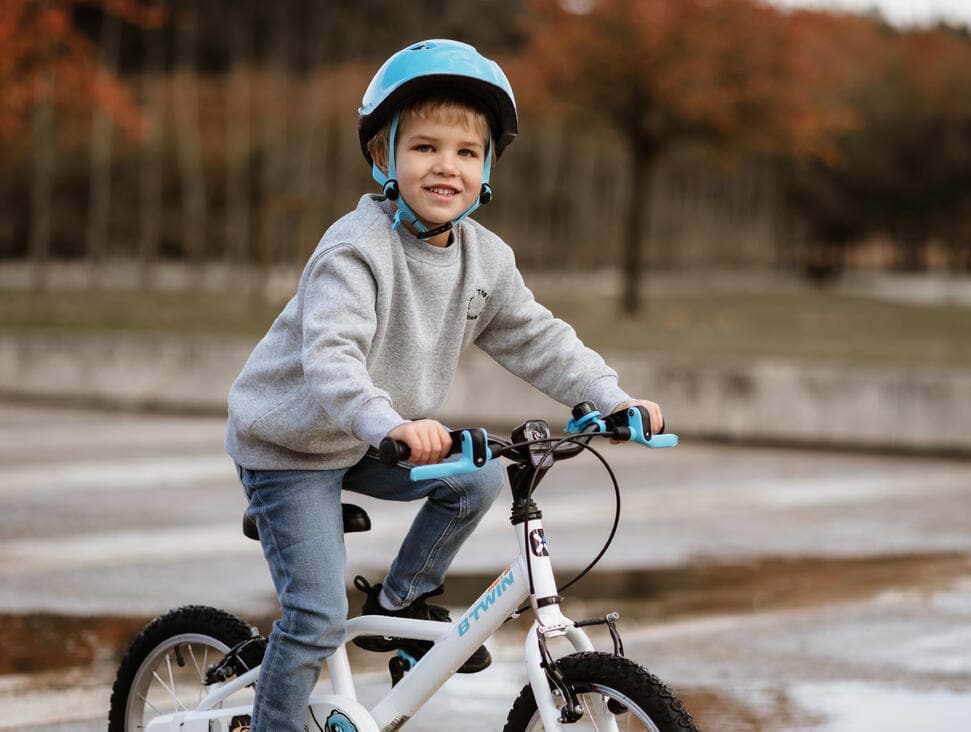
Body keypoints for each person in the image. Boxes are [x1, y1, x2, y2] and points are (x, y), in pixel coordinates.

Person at [225, 38, 664, 731]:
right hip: (293, 446)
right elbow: (333, 359)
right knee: (315, 616)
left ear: (487, 167)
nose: (446, 167)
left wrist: (612, 398)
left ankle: (401, 606)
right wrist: (389, 424)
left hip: (375, 439)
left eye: (466, 152)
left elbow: (537, 337)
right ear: (383, 157)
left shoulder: (485, 259)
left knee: (481, 474)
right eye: (424, 147)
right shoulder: (353, 251)